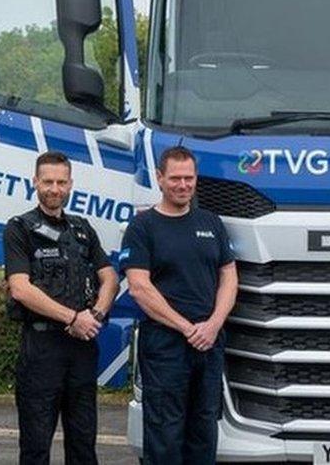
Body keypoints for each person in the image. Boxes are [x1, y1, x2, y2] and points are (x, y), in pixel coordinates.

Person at [121, 146, 238, 465]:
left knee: (204, 430)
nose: (183, 185)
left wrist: (213, 324)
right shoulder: (142, 228)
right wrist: (187, 327)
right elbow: (139, 287)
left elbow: (228, 276)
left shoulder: (211, 223)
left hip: (209, 343)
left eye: (189, 178)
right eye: (175, 178)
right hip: (165, 344)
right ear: (160, 178)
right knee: (165, 433)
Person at [3, 151, 119, 465]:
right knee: (36, 445)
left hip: (81, 348)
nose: (54, 188)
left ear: (70, 185)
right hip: (42, 349)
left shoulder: (82, 229)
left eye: (61, 182)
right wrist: (72, 318)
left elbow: (109, 278)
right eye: (48, 182)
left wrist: (95, 315)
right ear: (35, 183)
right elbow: (21, 288)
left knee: (83, 444)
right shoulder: (19, 229)